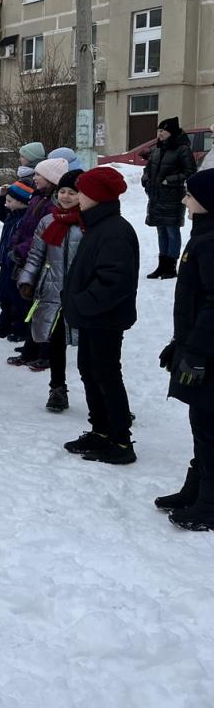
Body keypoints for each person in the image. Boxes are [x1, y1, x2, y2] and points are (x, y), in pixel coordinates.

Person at [61, 166, 140, 465]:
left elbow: (114, 282)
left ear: (96, 196)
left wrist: (81, 304)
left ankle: (120, 440)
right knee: (90, 372)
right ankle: (101, 430)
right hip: (92, 318)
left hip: (105, 319)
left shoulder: (115, 231)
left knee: (106, 375)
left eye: (82, 191)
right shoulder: (96, 225)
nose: (77, 196)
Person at [157, 168, 214, 530]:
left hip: (208, 353)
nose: (184, 200)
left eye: (189, 195)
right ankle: (196, 489)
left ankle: (208, 504)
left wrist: (194, 353)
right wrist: (178, 345)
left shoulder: (211, 242)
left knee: (210, 425)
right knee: (201, 421)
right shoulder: (202, 236)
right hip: (197, 346)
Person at [18, 170, 83, 413]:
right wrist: (28, 280)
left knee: (89, 350)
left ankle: (103, 395)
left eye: (72, 192)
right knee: (56, 343)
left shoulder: (87, 223)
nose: (65, 197)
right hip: (52, 291)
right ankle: (57, 389)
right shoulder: (49, 221)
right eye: (62, 191)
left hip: (80, 294)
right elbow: (36, 255)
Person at [143, 117, 197, 280]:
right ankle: (162, 265)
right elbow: (148, 168)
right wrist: (146, 178)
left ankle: (171, 266)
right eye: (158, 130)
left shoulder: (182, 149)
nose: (159, 134)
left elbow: (190, 172)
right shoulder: (157, 149)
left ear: (170, 132)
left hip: (173, 197)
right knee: (161, 230)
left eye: (162, 131)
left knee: (172, 230)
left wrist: (170, 180)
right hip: (157, 196)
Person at [0, 181, 34, 352]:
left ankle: (20, 329)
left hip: (17, 264)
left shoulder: (25, 219)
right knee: (3, 294)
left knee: (17, 298)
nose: (6, 204)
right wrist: (0, 196)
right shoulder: (11, 215)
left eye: (10, 201)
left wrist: (17, 255)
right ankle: (4, 326)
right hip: (5, 261)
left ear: (22, 201)